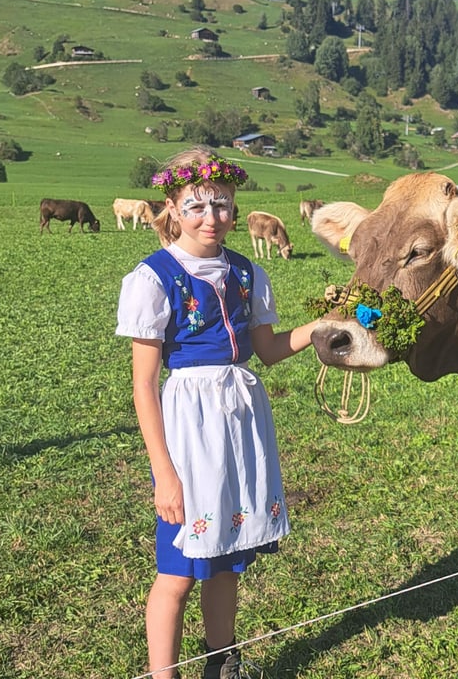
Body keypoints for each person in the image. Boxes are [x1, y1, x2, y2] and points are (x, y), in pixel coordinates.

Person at [116, 146, 320, 679]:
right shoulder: (154, 276)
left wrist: (323, 326)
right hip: (189, 423)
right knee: (180, 568)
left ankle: (220, 663)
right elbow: (143, 384)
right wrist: (164, 473)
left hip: (240, 416)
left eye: (223, 205)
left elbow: (269, 350)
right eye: (197, 206)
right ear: (173, 206)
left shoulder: (248, 273)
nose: (212, 218)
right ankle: (164, 674)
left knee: (228, 557)